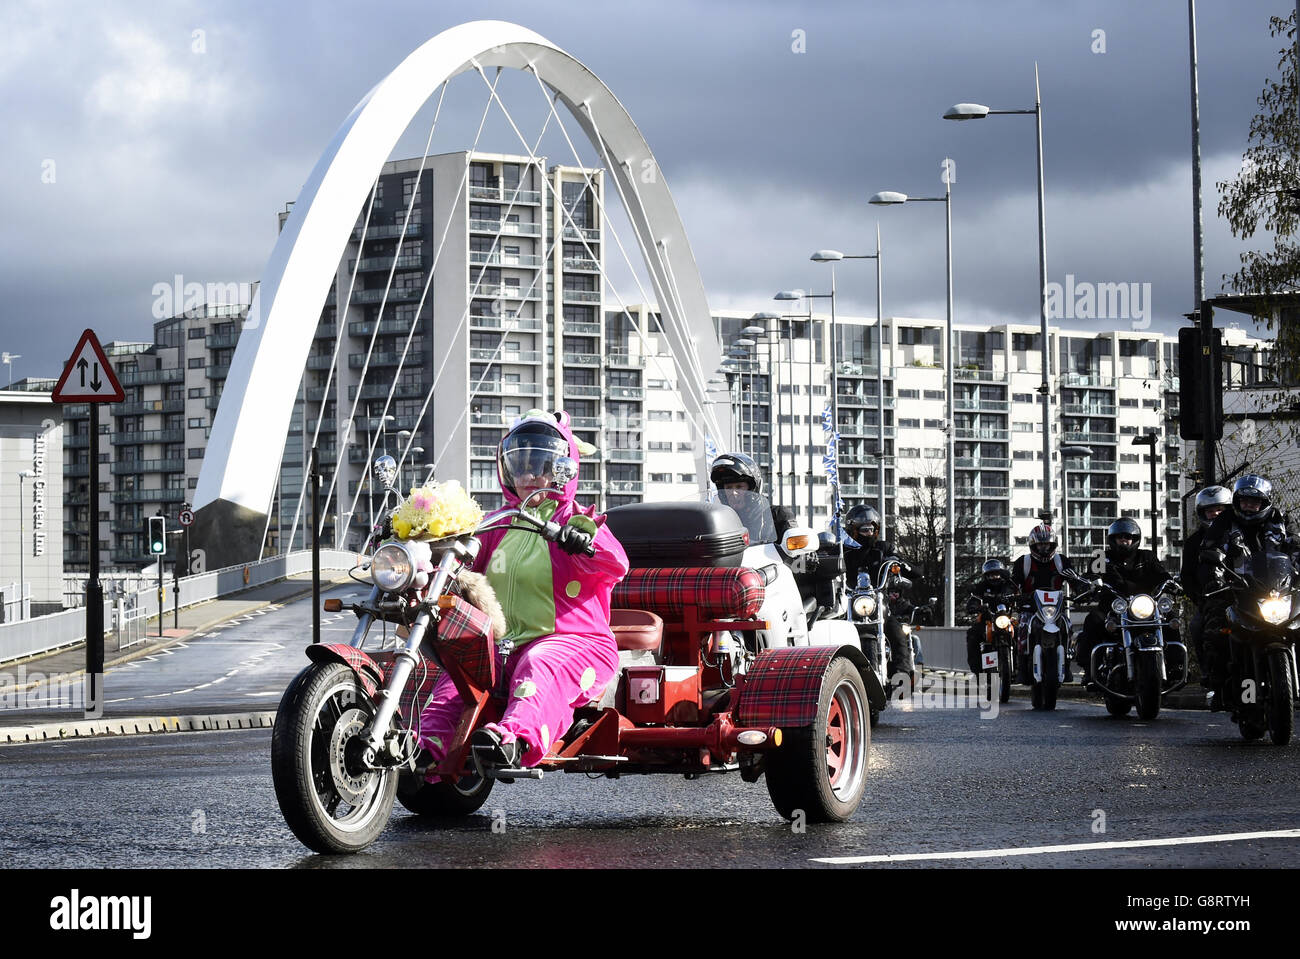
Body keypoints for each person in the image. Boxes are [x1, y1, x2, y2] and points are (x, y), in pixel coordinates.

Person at [417, 410, 629, 775]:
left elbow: (616, 564)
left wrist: (583, 538)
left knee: (541, 662)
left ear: (563, 467)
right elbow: (457, 564)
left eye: (541, 465)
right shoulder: (496, 523)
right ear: (506, 468)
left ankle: (514, 738)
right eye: (520, 465)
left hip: (578, 643)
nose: (530, 476)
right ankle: (424, 751)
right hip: (501, 646)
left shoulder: (575, 518)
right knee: (456, 676)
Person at [1197, 474, 1300, 704]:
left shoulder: (1282, 519)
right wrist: (1215, 579)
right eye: (1244, 501)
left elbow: (1296, 547)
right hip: (1237, 588)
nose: (1249, 506)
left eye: (1255, 502)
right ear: (1237, 501)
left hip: (1278, 589)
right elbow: (1211, 552)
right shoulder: (1225, 521)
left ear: (1265, 502)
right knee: (1216, 628)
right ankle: (1218, 686)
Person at [1075, 517, 1178, 683]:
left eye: (1127, 536)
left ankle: (1175, 665)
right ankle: (1089, 669)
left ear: (1135, 539)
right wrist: (1088, 584)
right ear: (1113, 539)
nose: (1124, 540)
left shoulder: (1146, 557)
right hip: (1112, 607)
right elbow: (1091, 576)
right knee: (1093, 619)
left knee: (1171, 619)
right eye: (1119, 537)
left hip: (1143, 608)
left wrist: (1170, 582)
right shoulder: (1101, 556)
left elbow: (1161, 574)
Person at [842, 504, 915, 687]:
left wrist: (902, 565)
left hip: (878, 602)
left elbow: (912, 569)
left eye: (871, 528)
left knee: (897, 632)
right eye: (863, 529)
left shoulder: (883, 549)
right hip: (848, 603)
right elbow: (828, 564)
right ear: (853, 530)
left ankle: (901, 675)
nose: (868, 532)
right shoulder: (843, 550)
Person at [1011, 524, 1077, 682]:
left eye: (1046, 544)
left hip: (1055, 608)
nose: (1043, 548)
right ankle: (1021, 667)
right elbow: (1014, 584)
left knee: (1067, 626)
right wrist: (1012, 594)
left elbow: (1074, 580)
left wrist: (1082, 590)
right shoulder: (1023, 562)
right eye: (1040, 544)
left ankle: (1066, 665)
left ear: (1052, 544)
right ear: (1033, 545)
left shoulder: (1062, 561)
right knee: (1022, 627)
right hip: (1030, 607)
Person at [1180, 485, 1232, 684]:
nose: (1215, 514)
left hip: (1249, 595)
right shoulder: (1194, 542)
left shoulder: (1240, 533)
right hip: (1213, 599)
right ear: (1203, 513)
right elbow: (1187, 577)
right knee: (1197, 625)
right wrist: (1201, 599)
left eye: (1220, 510)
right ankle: (1208, 672)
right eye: (1210, 511)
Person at [709, 452, 783, 542]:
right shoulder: (719, 520)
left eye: (739, 487)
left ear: (752, 488)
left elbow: (794, 549)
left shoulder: (777, 515)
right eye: (728, 488)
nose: (733, 493)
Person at [964, 559, 1019, 677]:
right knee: (972, 635)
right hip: (987, 620)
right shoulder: (981, 587)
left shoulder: (1008, 585)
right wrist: (974, 607)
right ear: (986, 576)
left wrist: (1020, 601)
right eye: (991, 575)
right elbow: (974, 599)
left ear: (1002, 574)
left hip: (1006, 619)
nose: (994, 577)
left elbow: (1018, 595)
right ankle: (977, 671)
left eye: (997, 574)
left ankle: (1020, 669)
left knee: (1022, 635)